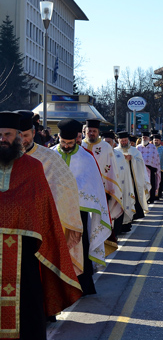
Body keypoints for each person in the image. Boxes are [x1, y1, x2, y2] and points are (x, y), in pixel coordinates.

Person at [0, 111, 82, 338]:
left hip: (24, 252)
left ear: (18, 136)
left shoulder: (33, 167)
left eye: (7, 134)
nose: (2, 139)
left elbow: (44, 213)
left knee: (27, 304)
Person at [17, 110, 84, 274]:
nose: (22, 141)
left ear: (33, 133)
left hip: (41, 227)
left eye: (25, 135)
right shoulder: (5, 157)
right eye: (17, 136)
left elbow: (67, 191)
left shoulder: (50, 157)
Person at [52, 119, 111, 295]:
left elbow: (92, 185)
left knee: (80, 246)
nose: (66, 146)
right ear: (59, 139)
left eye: (70, 143)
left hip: (79, 211)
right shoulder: (51, 155)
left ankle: (82, 284)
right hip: (55, 211)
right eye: (63, 142)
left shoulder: (86, 158)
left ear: (76, 140)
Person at [82, 118, 122, 211]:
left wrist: (111, 187)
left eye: (94, 131)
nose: (91, 133)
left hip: (102, 187)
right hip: (83, 187)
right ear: (85, 131)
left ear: (98, 132)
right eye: (89, 131)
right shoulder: (80, 145)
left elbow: (112, 167)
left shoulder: (106, 147)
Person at [102, 131, 134, 239]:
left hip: (119, 188)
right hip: (103, 189)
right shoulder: (99, 153)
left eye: (109, 142)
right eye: (105, 142)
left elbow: (125, 172)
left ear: (113, 143)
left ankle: (115, 233)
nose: (107, 144)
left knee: (118, 209)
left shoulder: (119, 155)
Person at [115, 132, 150, 223]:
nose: (123, 142)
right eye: (122, 141)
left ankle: (135, 214)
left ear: (128, 141)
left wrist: (132, 159)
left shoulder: (135, 151)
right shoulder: (115, 151)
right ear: (119, 141)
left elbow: (140, 163)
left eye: (125, 140)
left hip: (132, 178)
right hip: (120, 179)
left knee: (134, 194)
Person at [137, 131, 161, 203]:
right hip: (141, 170)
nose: (144, 138)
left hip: (151, 169)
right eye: (143, 137)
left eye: (146, 137)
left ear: (148, 138)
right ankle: (143, 199)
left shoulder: (153, 147)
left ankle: (151, 198)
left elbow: (156, 159)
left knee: (151, 184)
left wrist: (150, 166)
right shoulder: (138, 147)